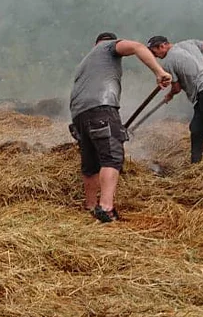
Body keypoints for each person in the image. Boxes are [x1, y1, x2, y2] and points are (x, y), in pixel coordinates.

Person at [68, 32, 173, 222]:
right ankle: (106, 209)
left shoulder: (85, 62)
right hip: (101, 107)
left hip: (79, 114)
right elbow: (137, 47)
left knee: (90, 162)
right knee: (112, 156)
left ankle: (90, 205)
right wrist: (160, 72)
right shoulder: (108, 47)